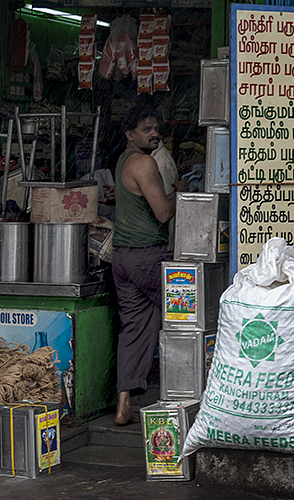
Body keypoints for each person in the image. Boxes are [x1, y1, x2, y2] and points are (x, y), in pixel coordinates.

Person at [112, 105, 185, 425]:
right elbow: (164, 213)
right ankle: (185, 396)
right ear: (130, 135)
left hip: (123, 258)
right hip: (148, 257)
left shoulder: (123, 161)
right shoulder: (145, 163)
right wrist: (179, 193)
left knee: (135, 327)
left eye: (156, 128)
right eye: (146, 129)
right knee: (186, 319)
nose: (154, 134)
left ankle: (123, 403)